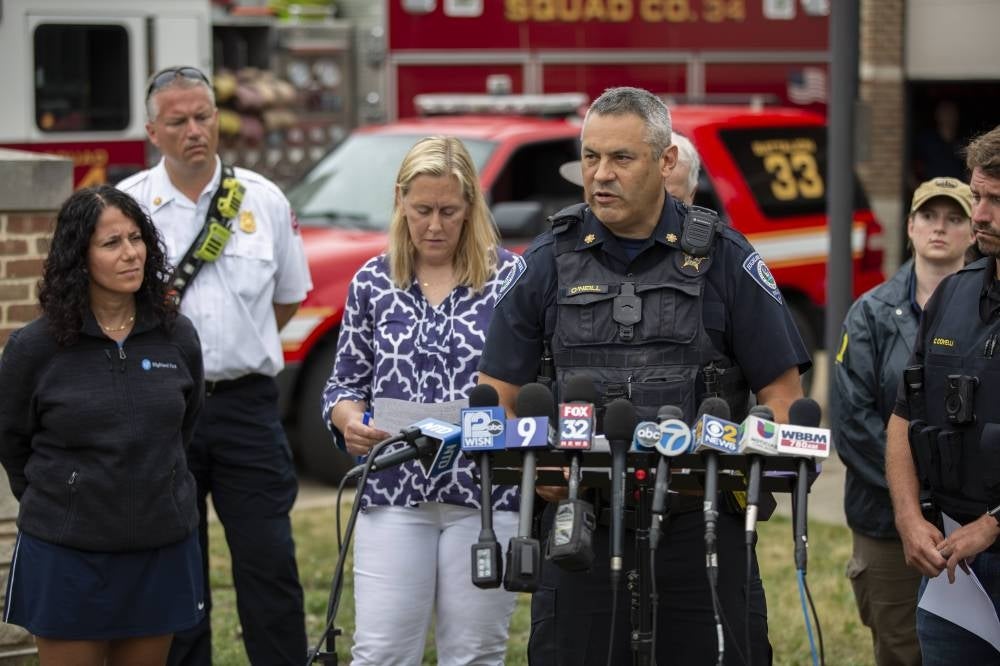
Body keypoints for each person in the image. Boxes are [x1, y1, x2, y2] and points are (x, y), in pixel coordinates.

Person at [478, 87, 809, 665]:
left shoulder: (726, 258)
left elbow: (783, 397)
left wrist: (747, 465)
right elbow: (495, 399)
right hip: (579, 527)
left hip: (699, 525)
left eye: (621, 159)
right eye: (590, 158)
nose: (601, 175)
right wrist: (539, 475)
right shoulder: (545, 262)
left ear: (665, 162)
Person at [118, 66, 312, 665]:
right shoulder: (127, 205)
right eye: (177, 121)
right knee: (176, 567)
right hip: (163, 409)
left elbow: (288, 297)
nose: (194, 130)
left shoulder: (263, 198)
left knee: (269, 561)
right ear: (153, 129)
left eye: (203, 116)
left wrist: (236, 349)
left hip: (247, 406)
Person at [322, 135, 525, 665]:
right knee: (382, 651)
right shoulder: (372, 281)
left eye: (449, 211)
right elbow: (343, 385)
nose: (434, 226)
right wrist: (349, 421)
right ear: (399, 203)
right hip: (392, 490)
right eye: (421, 210)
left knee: (476, 653)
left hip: (484, 492)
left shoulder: (510, 279)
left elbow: (534, 384)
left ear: (471, 209)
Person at [0, 186, 204, 666]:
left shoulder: (177, 336)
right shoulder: (36, 348)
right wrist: (67, 497)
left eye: (137, 238)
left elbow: (185, 428)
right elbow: (12, 440)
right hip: (68, 553)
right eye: (111, 243)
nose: (131, 253)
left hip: (160, 546)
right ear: (79, 257)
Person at [832, 176, 974, 666]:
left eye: (954, 217)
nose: (940, 228)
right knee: (899, 648)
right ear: (910, 227)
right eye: (929, 217)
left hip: (969, 525)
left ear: (973, 231)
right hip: (886, 524)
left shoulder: (986, 313)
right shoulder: (868, 314)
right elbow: (853, 424)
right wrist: (915, 499)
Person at [886, 124, 1000, 665]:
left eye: (996, 201)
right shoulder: (954, 294)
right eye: (977, 196)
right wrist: (909, 518)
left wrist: (994, 526)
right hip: (957, 571)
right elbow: (904, 416)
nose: (978, 215)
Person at [559, 131, 701, 205]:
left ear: (691, 195)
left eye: (669, 201)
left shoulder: (716, 252)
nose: (652, 212)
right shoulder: (559, 249)